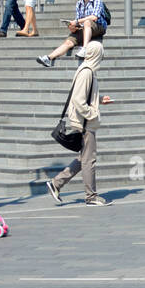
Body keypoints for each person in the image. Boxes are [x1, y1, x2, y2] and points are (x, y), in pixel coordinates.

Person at [45, 42, 113, 206]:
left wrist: (99, 99)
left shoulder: (86, 70)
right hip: (85, 123)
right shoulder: (87, 72)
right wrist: (93, 113)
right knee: (89, 160)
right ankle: (91, 196)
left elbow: (84, 96)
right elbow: (78, 100)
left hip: (84, 121)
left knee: (83, 157)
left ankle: (56, 183)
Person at [37, 0, 108, 67]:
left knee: (87, 22)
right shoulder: (79, 3)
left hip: (99, 27)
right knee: (68, 42)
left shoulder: (97, 0)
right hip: (85, 28)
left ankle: (84, 49)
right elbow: (78, 20)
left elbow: (94, 17)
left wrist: (77, 22)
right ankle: (48, 58)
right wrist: (73, 27)